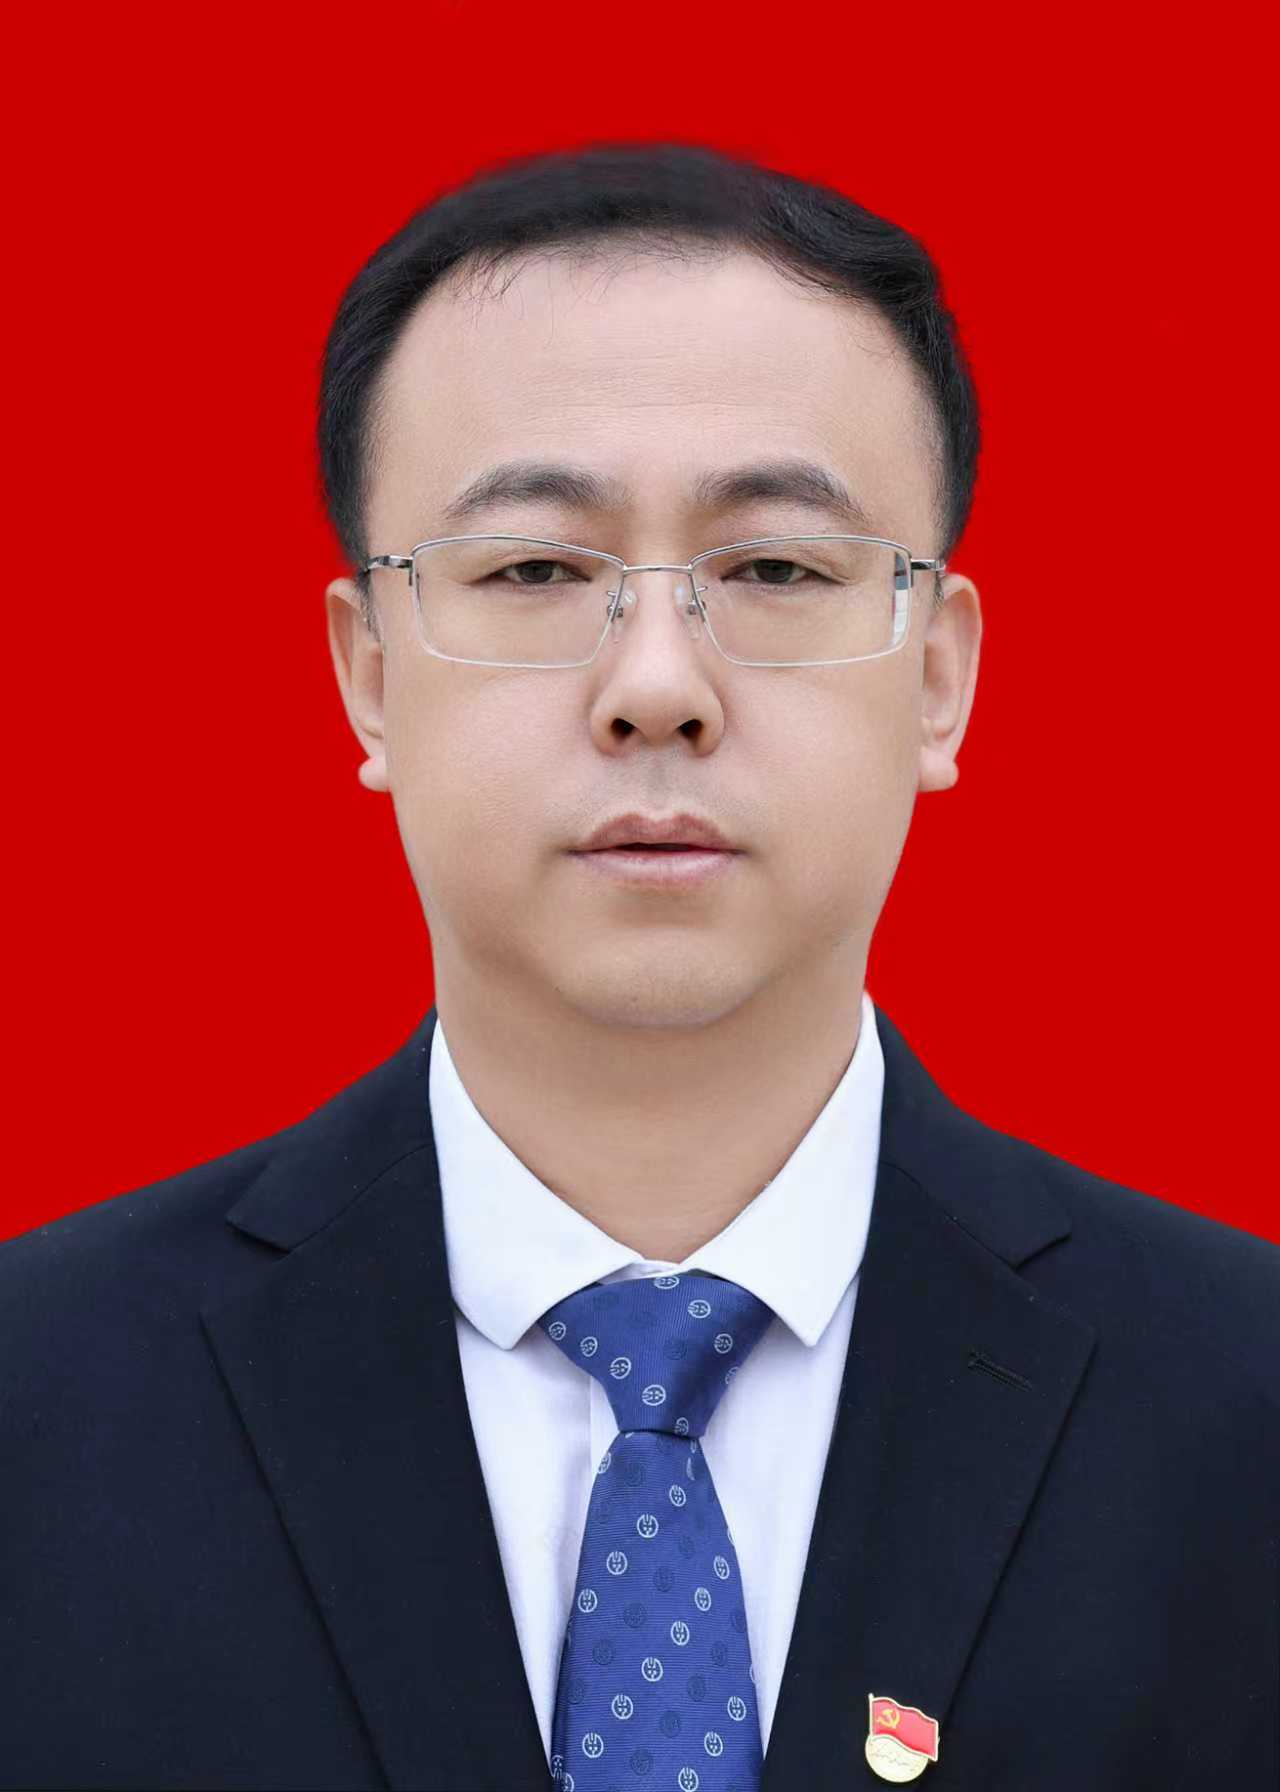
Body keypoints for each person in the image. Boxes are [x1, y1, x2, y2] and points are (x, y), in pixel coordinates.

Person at [1, 142, 1276, 1792]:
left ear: (940, 677)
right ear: (369, 676)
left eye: (775, 569)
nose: (657, 686)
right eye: (537, 570)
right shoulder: (39, 1402)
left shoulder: (1242, 1409)